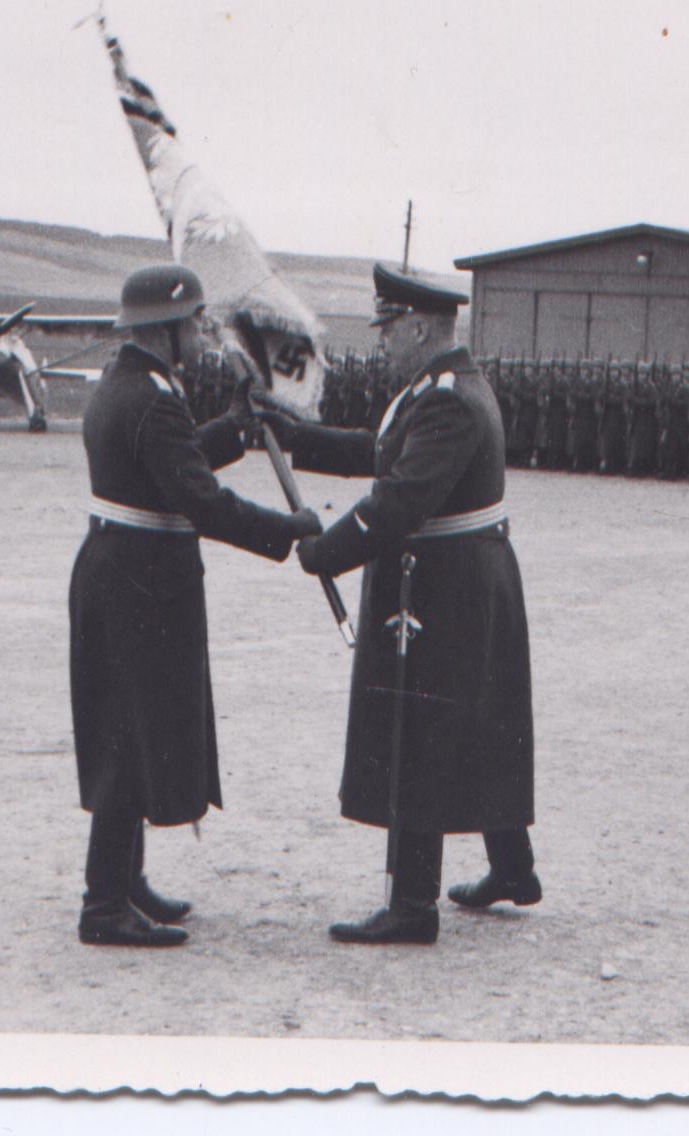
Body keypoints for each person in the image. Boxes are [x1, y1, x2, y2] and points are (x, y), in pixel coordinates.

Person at [257, 263, 537, 946]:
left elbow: (397, 501)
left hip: (445, 586)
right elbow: (381, 452)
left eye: (388, 328)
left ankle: (412, 905)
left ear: (418, 327)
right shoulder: (441, 387)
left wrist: (325, 552)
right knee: (479, 724)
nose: (380, 341)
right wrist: (292, 435)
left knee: (422, 730)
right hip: (460, 580)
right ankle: (513, 869)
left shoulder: (446, 400)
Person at [69, 264, 320, 949]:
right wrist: (286, 530)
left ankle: (126, 882)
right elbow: (199, 499)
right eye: (194, 322)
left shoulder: (131, 385)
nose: (204, 332)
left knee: (132, 729)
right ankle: (103, 904)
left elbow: (171, 463)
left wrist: (233, 430)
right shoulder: (152, 397)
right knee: (129, 737)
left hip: (124, 572)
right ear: (165, 328)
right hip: (140, 582)